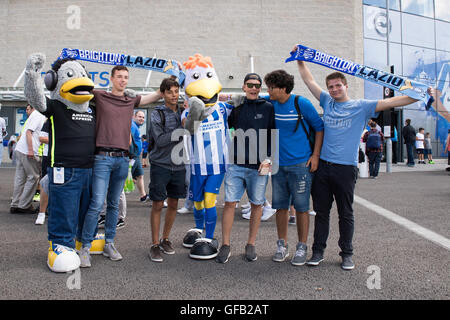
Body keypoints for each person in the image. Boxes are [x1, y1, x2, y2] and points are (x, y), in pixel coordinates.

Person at [295, 53, 428, 270]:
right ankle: (317, 251)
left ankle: (346, 253)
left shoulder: (362, 106)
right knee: (321, 213)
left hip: (345, 169)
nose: (334, 89)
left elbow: (393, 100)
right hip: (323, 168)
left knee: (346, 214)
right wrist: (301, 60)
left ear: (346, 86)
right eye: (331, 86)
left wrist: (420, 95)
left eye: (338, 85)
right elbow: (309, 81)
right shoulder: (327, 102)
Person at [80, 65, 162, 267]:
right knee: (97, 203)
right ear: (111, 78)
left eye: (126, 77)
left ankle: (109, 243)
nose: (123, 80)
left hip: (122, 159)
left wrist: (165, 87)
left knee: (114, 204)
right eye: (119, 77)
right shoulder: (100, 96)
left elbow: (153, 97)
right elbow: (79, 88)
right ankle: (85, 247)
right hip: (102, 158)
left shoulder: (130, 100)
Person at [261, 69, 324, 266]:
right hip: (279, 165)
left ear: (283, 88)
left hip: (301, 165)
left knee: (302, 207)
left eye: (272, 88)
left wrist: (315, 156)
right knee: (280, 207)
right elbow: (250, 97)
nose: (268, 91)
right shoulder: (270, 103)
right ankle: (282, 245)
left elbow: (319, 128)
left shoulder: (300, 103)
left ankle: (302, 247)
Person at [216, 73, 275, 263]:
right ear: (243, 87)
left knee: (257, 204)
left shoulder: (268, 108)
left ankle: (251, 244)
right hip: (235, 164)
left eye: (257, 86)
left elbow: (273, 135)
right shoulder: (237, 109)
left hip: (258, 167)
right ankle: (225, 245)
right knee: (230, 203)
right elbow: (226, 128)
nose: (253, 88)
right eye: (250, 85)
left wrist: (268, 159)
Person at [148, 78, 186, 262]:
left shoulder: (185, 111)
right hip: (160, 165)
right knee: (157, 204)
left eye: (176, 91)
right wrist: (182, 129)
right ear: (163, 93)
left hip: (180, 165)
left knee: (173, 204)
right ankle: (154, 244)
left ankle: (165, 239)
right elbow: (161, 140)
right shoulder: (157, 113)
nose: (174, 95)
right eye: (170, 91)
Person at [10, 104, 46, 214]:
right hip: (28, 150)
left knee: (20, 178)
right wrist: (31, 149)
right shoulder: (39, 115)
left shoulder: (33, 115)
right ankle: (24, 205)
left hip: (20, 149)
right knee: (33, 177)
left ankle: (15, 204)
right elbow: (29, 132)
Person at [131, 110, 149, 202]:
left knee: (140, 175)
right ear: (134, 116)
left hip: (136, 157)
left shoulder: (136, 127)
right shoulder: (132, 126)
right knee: (124, 178)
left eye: (143, 117)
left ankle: (143, 196)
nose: (142, 119)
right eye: (139, 117)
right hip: (131, 157)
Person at [35, 119, 50, 225]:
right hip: (48, 155)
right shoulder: (49, 121)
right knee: (46, 183)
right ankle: (42, 212)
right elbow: (41, 137)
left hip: (64, 157)